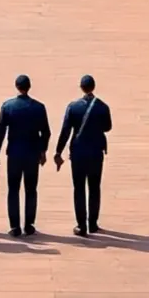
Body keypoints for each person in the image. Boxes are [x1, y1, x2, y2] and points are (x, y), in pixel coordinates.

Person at [0, 74, 51, 237]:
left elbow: (0, 132)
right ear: (29, 87)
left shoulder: (8, 106)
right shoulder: (39, 107)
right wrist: (43, 150)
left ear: (16, 87)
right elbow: (46, 132)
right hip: (32, 153)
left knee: (13, 189)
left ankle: (15, 226)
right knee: (31, 189)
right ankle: (29, 225)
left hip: (14, 154)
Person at [54, 74, 113, 236]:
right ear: (93, 87)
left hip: (78, 153)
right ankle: (93, 223)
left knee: (79, 188)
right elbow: (108, 127)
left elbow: (66, 131)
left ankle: (81, 225)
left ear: (81, 87)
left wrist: (58, 151)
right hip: (96, 152)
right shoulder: (102, 107)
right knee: (94, 187)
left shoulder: (73, 107)